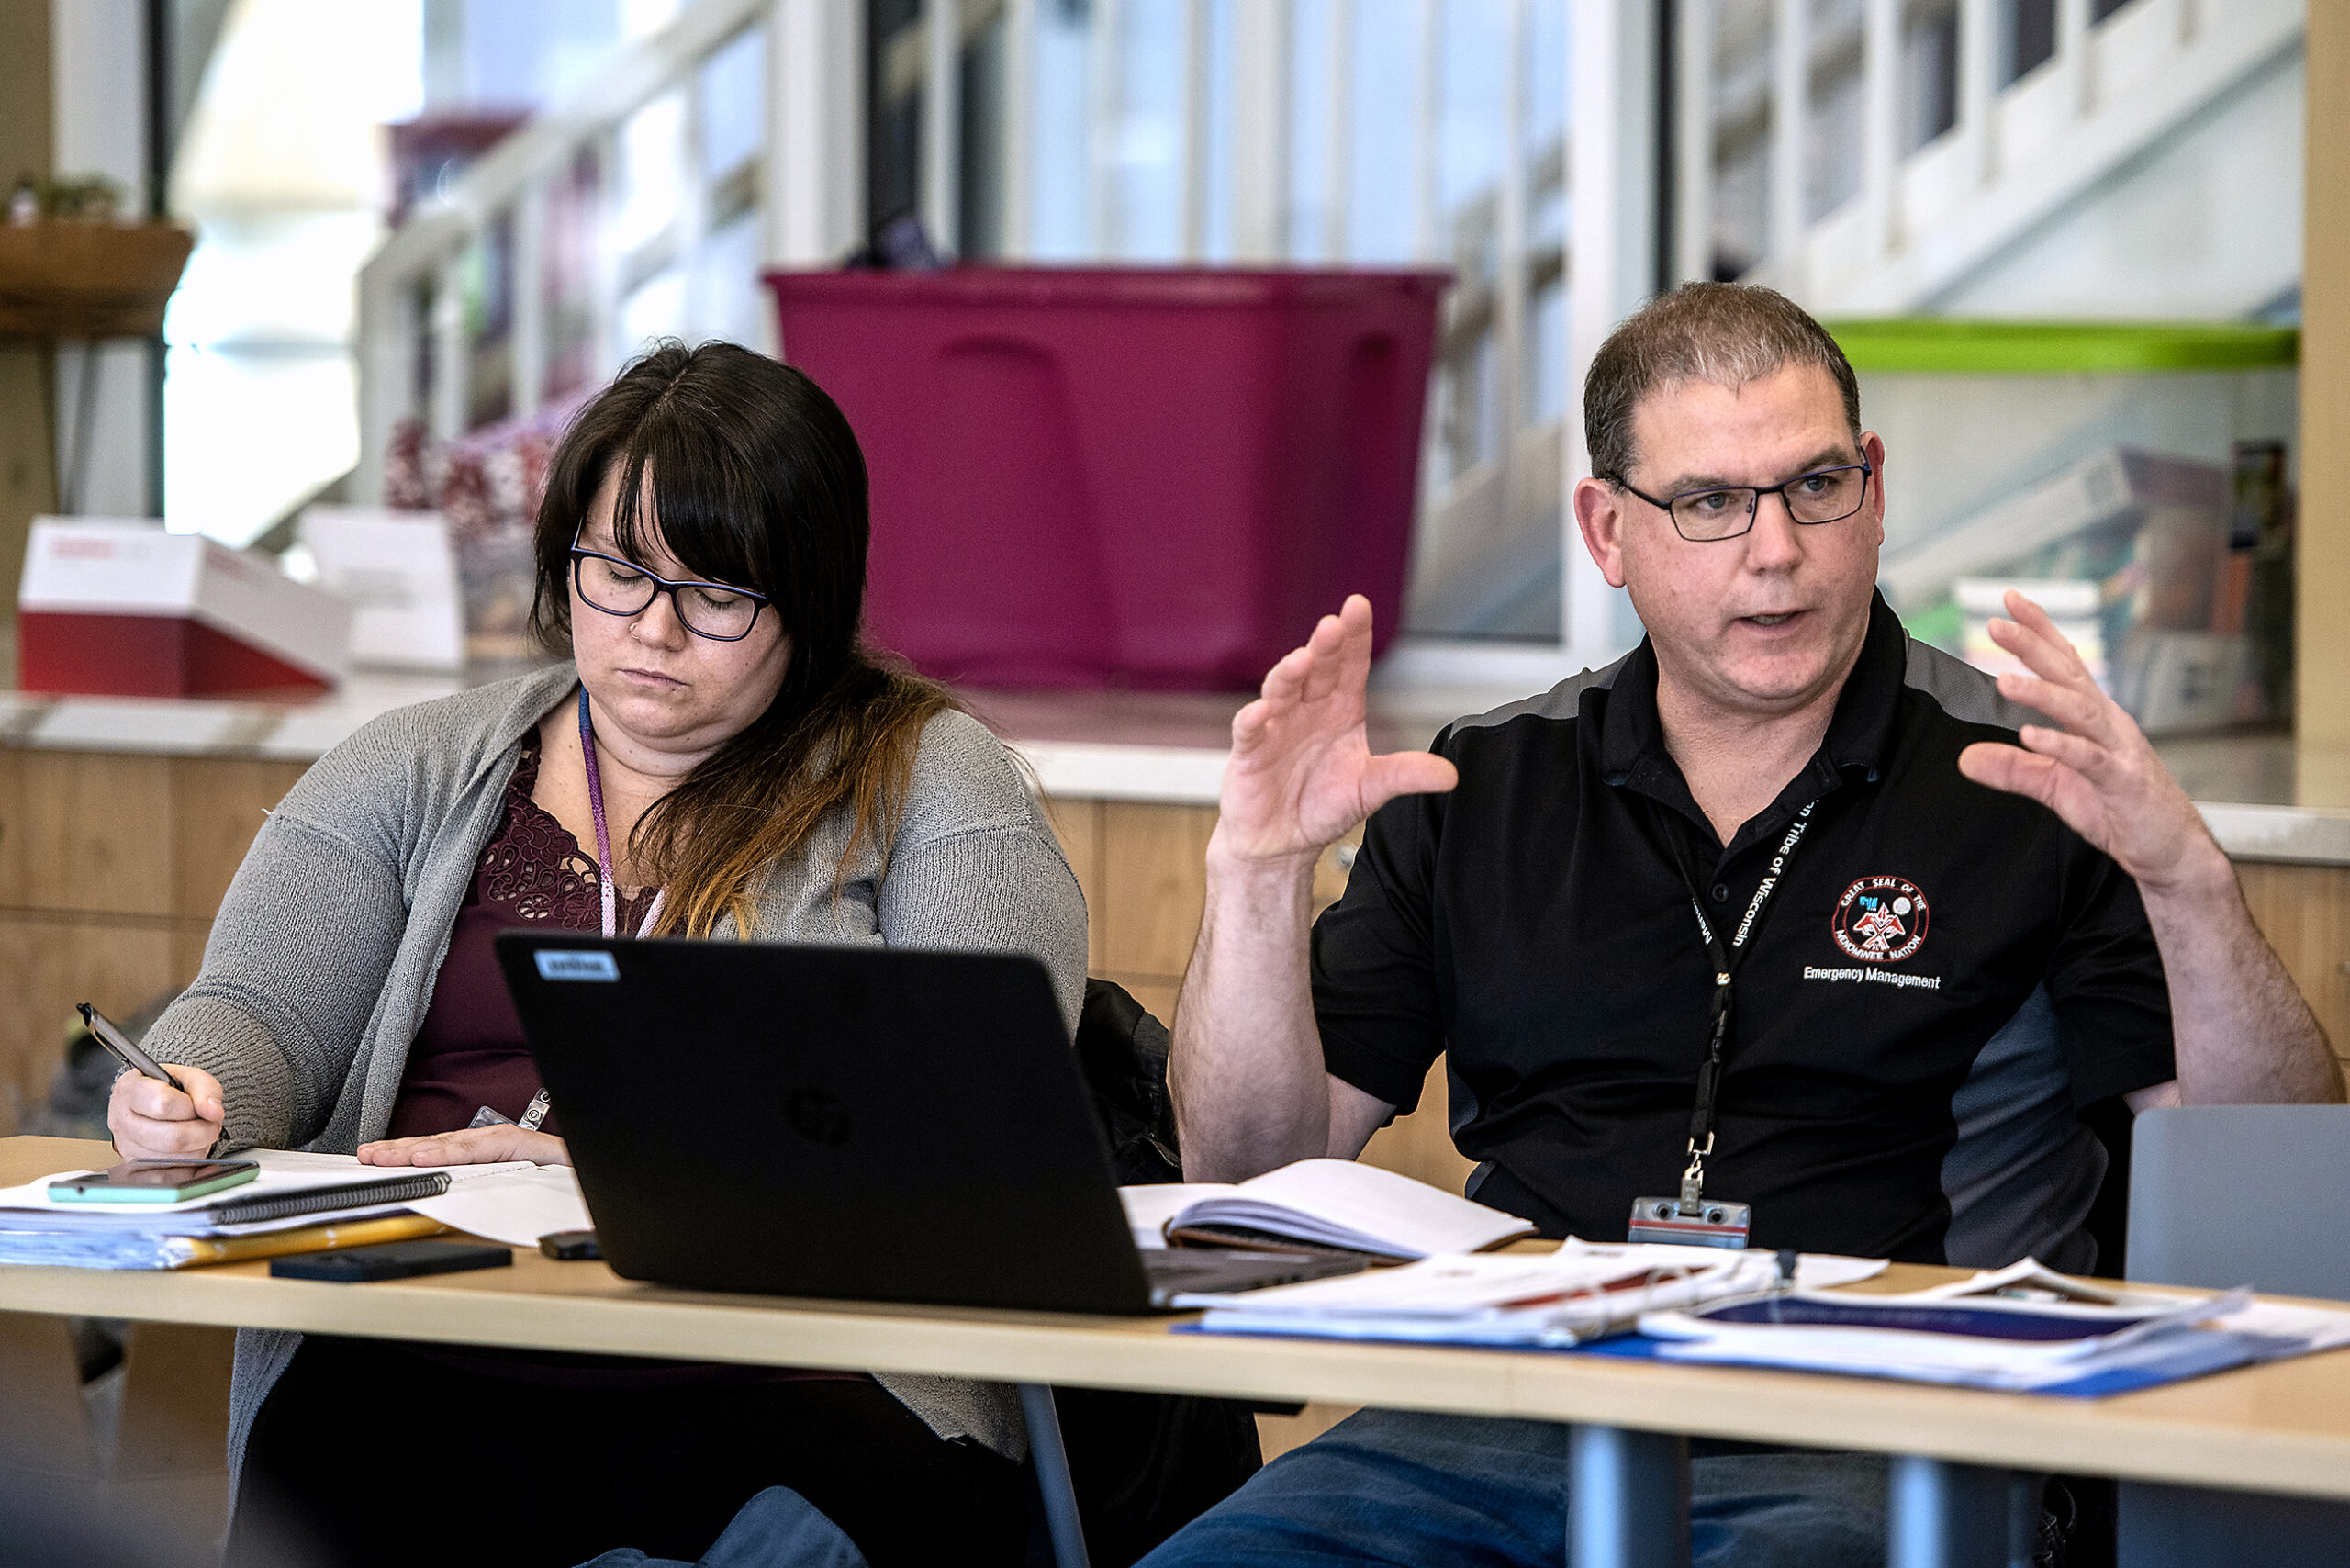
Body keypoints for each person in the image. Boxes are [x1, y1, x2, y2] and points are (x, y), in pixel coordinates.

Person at [1149, 283, 2343, 1566]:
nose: (1776, 550)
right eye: (1711, 503)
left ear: (1874, 490)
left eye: (1815, 486)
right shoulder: (1483, 785)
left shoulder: (2028, 782)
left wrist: (2190, 887)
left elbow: (2271, 1192)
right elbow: (1246, 1178)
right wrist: (1256, 875)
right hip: (1495, 1421)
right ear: (1608, 531)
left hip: (1890, 1438)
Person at [105, 342, 1089, 1568]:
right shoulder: (416, 762)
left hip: (785, 1361)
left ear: (812, 595)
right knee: (338, 1463)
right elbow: (260, 1012)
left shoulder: (935, 778)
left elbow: (984, 1106)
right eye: (617, 572)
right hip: (436, 1339)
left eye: (718, 592)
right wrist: (190, 1090)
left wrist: (628, 1168)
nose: (653, 632)